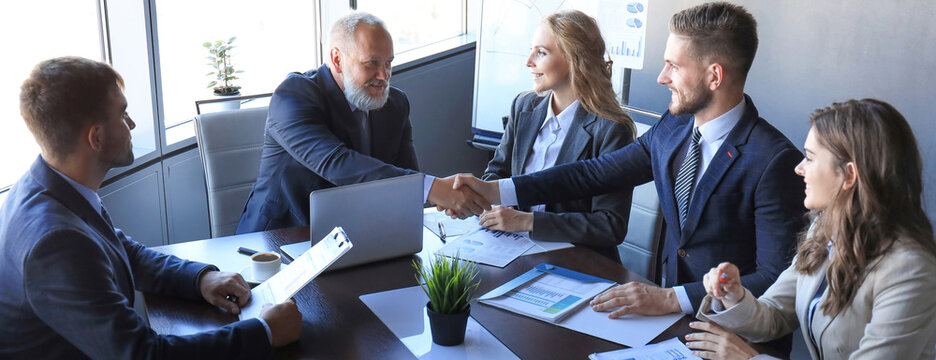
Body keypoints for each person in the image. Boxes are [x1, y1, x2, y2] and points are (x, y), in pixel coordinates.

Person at [450, 2, 806, 319]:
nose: (661, 77)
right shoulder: (675, 128)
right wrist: (496, 189)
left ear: (714, 76)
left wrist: (671, 298)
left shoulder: (774, 161)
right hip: (670, 320)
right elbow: (592, 174)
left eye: (672, 66)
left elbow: (775, 277)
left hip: (733, 333)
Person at [0, 57, 301, 359]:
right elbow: (143, 354)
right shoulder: (55, 243)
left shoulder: (49, 185)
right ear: (97, 137)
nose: (131, 124)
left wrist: (199, 279)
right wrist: (265, 332)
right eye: (123, 114)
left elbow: (121, 249)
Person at [688, 99, 936, 359]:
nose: (799, 168)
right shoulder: (825, 229)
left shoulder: (910, 270)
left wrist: (749, 358)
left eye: (809, 157)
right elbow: (773, 315)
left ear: (849, 176)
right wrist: (733, 296)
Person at [236, 12, 487, 234]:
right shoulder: (293, 95)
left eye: (388, 63)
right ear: (336, 60)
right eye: (372, 63)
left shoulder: (395, 104)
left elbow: (405, 178)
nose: (384, 76)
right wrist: (433, 189)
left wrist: (446, 196)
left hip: (358, 238)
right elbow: (336, 163)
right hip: (280, 240)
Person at [480, 10, 636, 263]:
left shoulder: (611, 129)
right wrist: (499, 208)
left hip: (577, 261)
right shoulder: (524, 107)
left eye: (541, 52)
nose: (528, 61)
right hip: (514, 250)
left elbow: (609, 225)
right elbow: (496, 174)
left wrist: (526, 221)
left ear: (573, 60)